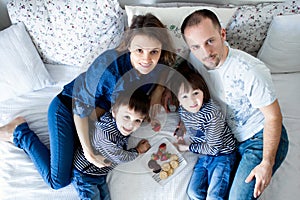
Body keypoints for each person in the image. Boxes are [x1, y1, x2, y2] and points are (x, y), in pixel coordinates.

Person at [0, 13, 176, 190]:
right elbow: (80, 108)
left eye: (154, 51)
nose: (146, 59)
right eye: (139, 50)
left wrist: (156, 99)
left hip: (96, 120)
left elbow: (163, 77)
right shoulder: (109, 69)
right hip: (70, 109)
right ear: (130, 46)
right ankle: (19, 132)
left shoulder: (157, 65)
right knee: (59, 181)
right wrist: (88, 152)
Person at [180, 9, 289, 199]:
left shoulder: (250, 70)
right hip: (228, 140)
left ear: (222, 34)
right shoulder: (194, 60)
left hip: (259, 138)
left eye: (210, 41)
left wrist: (266, 163)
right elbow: (179, 74)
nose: (205, 52)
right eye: (196, 46)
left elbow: (273, 117)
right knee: (202, 193)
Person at [171, 60, 236, 200]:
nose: (192, 101)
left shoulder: (211, 114)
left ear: (203, 91)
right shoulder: (183, 109)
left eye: (195, 93)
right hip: (203, 156)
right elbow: (185, 120)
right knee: (193, 193)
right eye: (185, 97)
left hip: (221, 155)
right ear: (178, 100)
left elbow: (213, 148)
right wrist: (181, 128)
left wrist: (187, 147)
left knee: (214, 196)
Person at [72, 88, 151, 200]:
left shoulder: (117, 120)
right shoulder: (107, 137)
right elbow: (122, 157)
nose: (130, 124)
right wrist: (137, 150)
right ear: (114, 112)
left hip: (99, 174)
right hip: (85, 174)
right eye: (127, 117)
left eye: (137, 121)